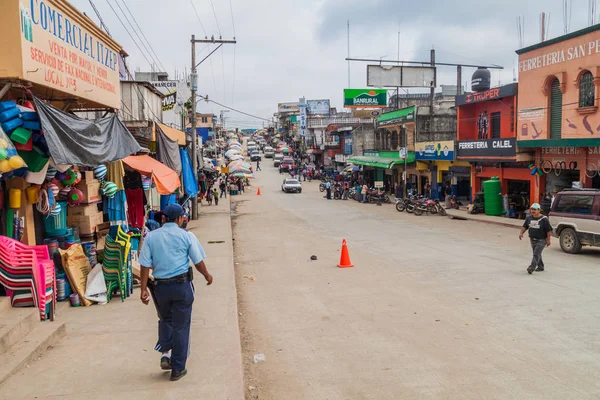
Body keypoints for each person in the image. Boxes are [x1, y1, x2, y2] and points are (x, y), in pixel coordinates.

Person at [139, 204, 213, 381]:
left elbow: (144, 264)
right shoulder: (186, 236)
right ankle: (178, 368)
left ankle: (165, 354)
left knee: (165, 320)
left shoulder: (151, 237)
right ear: (180, 219)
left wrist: (142, 289)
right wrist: (207, 275)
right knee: (181, 326)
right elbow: (197, 261)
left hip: (160, 288)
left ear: (164, 219)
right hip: (181, 287)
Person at [519, 203, 552, 275]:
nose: (533, 211)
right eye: (532, 209)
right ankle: (540, 266)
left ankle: (531, 267)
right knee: (536, 253)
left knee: (536, 254)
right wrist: (521, 233)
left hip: (541, 240)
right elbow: (525, 226)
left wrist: (548, 240)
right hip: (532, 239)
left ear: (539, 210)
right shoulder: (529, 218)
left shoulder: (544, 219)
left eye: (534, 209)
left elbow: (548, 231)